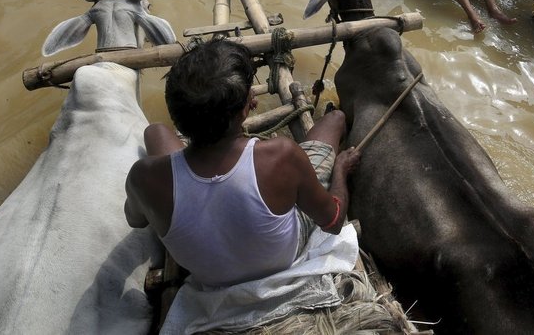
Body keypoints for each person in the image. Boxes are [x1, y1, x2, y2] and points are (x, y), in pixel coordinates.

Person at [124, 39, 361, 289]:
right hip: (281, 259)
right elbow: (333, 222)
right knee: (334, 119)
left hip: (209, 275)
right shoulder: (281, 155)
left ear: (176, 113)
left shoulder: (143, 177)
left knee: (155, 131)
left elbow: (136, 220)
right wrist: (340, 172)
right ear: (249, 107)